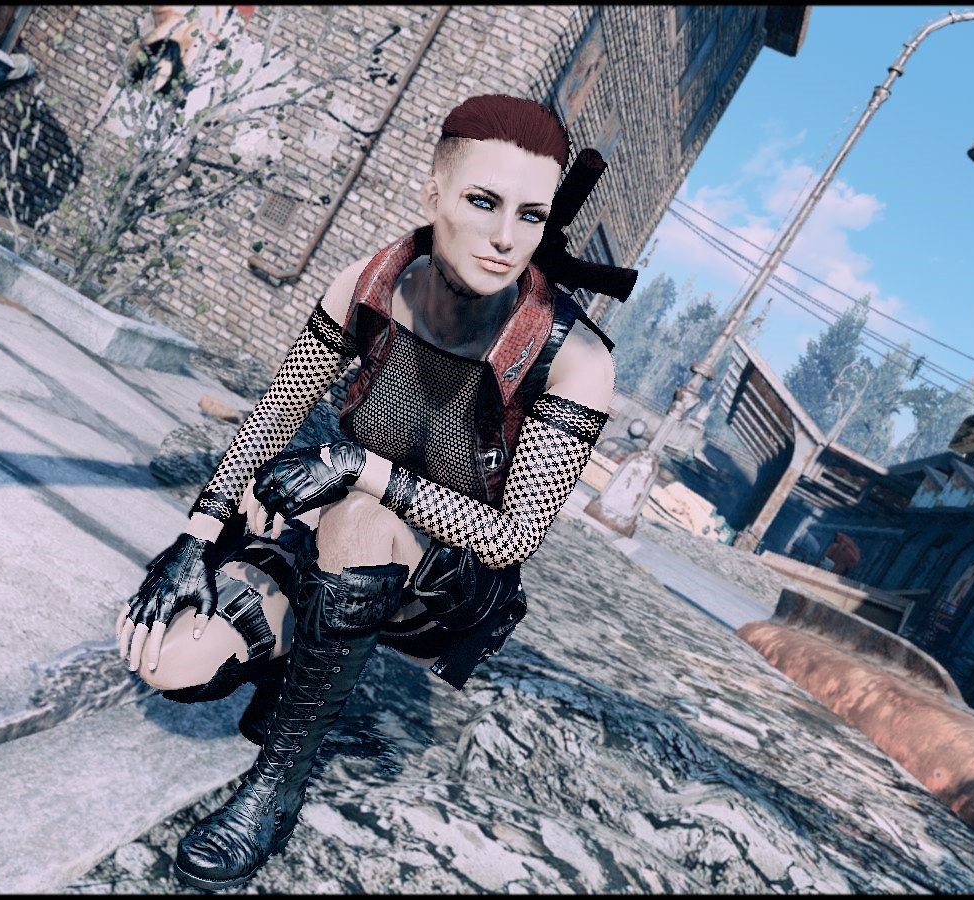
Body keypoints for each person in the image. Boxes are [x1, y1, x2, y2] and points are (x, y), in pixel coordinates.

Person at [117, 93, 636, 891]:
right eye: (483, 201)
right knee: (167, 661)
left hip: (444, 581)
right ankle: (294, 665)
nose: (506, 237)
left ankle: (275, 789)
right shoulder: (368, 281)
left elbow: (512, 537)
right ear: (433, 195)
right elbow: (274, 416)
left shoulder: (574, 360)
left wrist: (364, 472)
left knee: (362, 517)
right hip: (332, 527)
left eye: (530, 215)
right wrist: (197, 536)